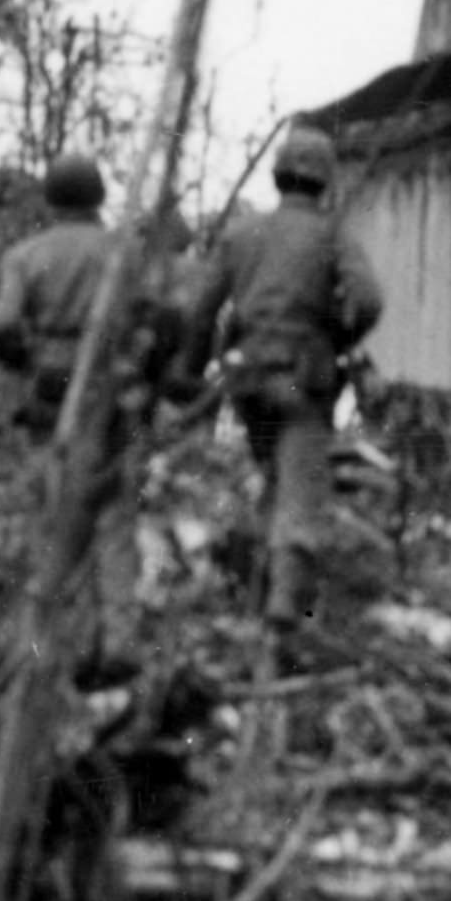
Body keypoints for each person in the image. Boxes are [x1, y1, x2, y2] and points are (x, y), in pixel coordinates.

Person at [178, 124, 385, 582]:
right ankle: (282, 610)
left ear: (277, 176)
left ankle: (250, 578)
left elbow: (202, 309)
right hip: (305, 381)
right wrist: (339, 338)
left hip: (248, 379)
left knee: (270, 473)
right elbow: (368, 300)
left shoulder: (241, 233)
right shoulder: (332, 236)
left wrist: (190, 372)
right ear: (325, 181)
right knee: (299, 490)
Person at [0, 156, 126, 420]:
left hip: (49, 371)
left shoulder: (24, 254)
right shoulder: (124, 252)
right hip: (108, 371)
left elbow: (5, 317)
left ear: (50, 198)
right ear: (99, 197)